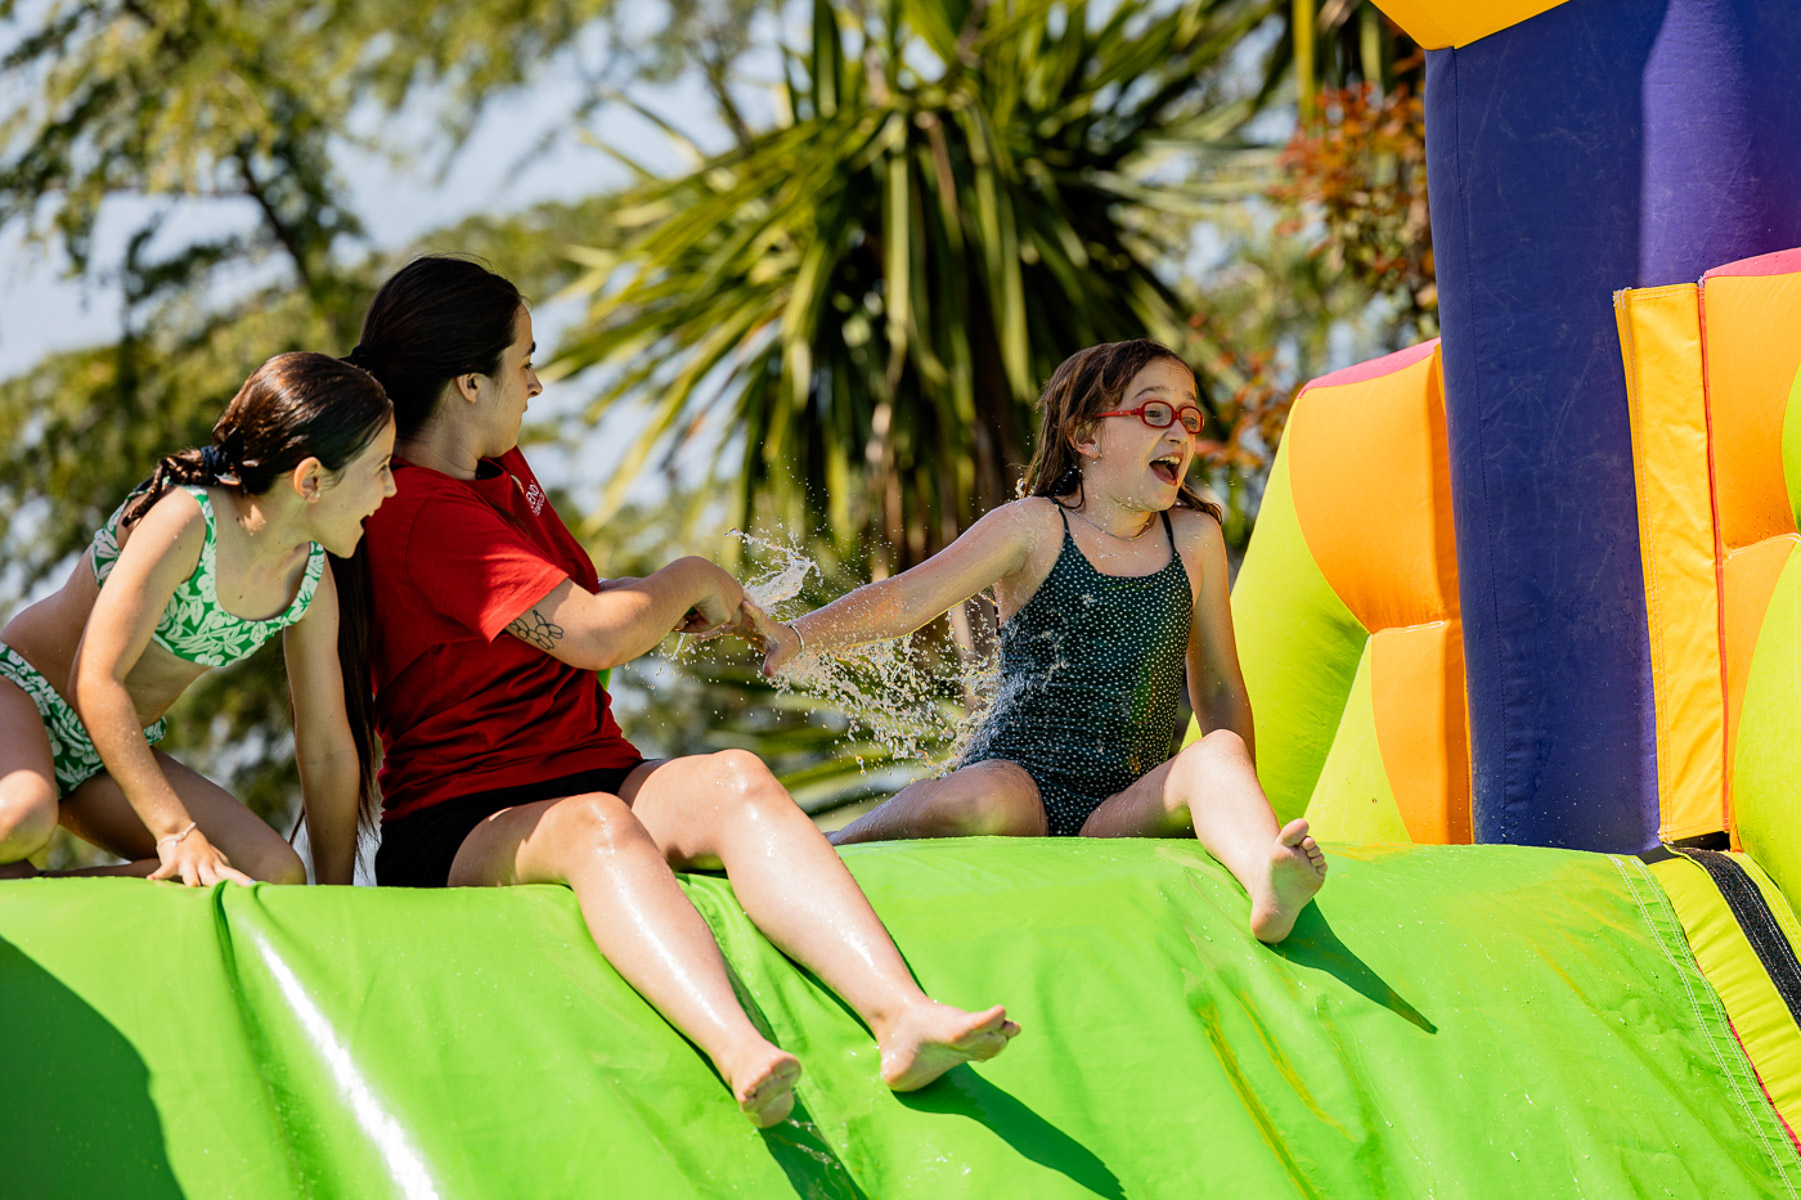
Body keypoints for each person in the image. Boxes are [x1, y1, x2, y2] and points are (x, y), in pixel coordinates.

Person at [343, 255, 1016, 1128]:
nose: (537, 384)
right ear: (468, 384)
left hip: (589, 766)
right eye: (525, 361)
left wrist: (677, 602)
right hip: (461, 819)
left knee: (736, 776)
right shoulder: (420, 510)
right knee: (597, 826)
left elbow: (554, 611)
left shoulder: (501, 475)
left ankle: (903, 1015)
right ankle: (739, 1049)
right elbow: (591, 634)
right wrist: (689, 574)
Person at [761, 340, 1327, 944]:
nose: (1180, 433)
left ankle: (1266, 879)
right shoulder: (1034, 526)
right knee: (982, 800)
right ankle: (831, 843)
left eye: (1189, 417)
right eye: (1153, 412)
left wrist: (1238, 807)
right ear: (1087, 436)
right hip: (1020, 784)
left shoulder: (1194, 538)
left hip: (1121, 805)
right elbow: (907, 600)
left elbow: (1216, 684)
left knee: (1215, 755)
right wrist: (796, 635)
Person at [0, 353, 396, 887]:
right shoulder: (188, 521)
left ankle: (27, 890)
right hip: (22, 699)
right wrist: (175, 832)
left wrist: (337, 899)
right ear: (311, 480)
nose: (390, 489)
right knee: (21, 818)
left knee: (274, 874)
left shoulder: (309, 579)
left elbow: (325, 748)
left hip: (105, 754)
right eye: (379, 468)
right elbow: (94, 681)